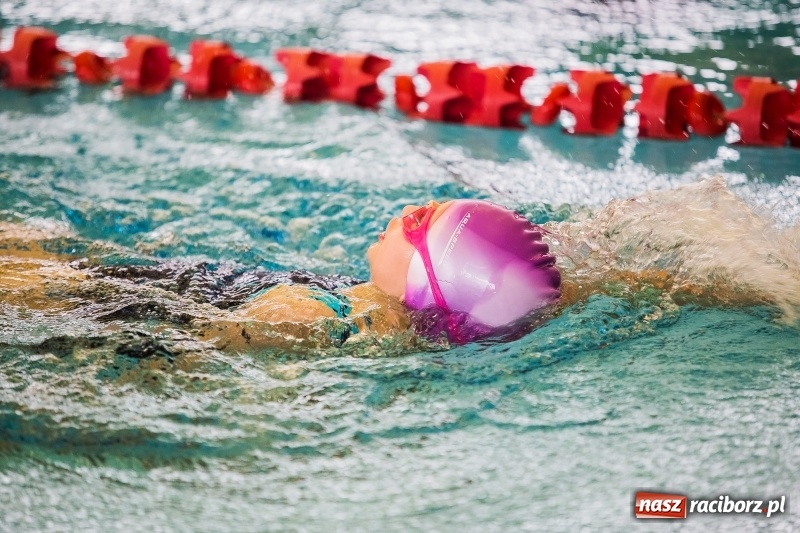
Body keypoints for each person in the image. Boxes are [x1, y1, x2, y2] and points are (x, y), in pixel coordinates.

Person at [2, 177, 799, 353]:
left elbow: (206, 349)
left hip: (166, 293)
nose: (399, 216)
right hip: (203, 278)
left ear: (419, 277)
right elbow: (579, 266)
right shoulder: (423, 317)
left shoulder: (312, 317)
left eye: (410, 224)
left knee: (39, 274)